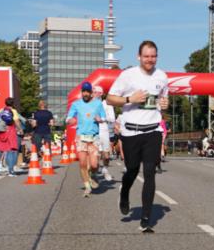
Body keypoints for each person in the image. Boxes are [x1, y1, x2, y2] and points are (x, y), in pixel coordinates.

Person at [106, 41, 170, 231]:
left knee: (150, 173)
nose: (150, 60)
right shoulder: (128, 76)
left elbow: (162, 100)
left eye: (153, 56)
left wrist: (164, 104)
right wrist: (129, 99)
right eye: (146, 56)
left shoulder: (162, 76)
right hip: (131, 131)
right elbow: (109, 98)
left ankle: (146, 219)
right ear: (138, 57)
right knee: (132, 170)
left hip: (153, 130)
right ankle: (124, 191)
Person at [66, 81, 108, 197]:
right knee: (83, 163)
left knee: (94, 164)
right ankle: (87, 186)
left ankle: (93, 175)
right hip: (81, 137)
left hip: (94, 137)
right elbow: (69, 118)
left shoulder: (98, 104)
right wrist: (70, 120)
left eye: (87, 91)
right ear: (81, 92)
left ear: (91, 93)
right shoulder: (76, 104)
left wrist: (100, 119)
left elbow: (104, 117)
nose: (85, 93)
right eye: (83, 91)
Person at [0, 98, 20, 177]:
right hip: (10, 132)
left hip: (0, 132)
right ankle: (10, 171)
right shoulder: (13, 111)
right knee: (10, 151)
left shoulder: (1, 110)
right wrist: (20, 129)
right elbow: (17, 122)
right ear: (13, 103)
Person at [94, 87, 116, 181]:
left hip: (104, 130)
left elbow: (112, 119)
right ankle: (94, 175)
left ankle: (105, 169)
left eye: (96, 92)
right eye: (93, 92)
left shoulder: (107, 104)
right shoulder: (89, 104)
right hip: (93, 131)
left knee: (106, 156)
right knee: (95, 155)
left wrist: (102, 118)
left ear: (101, 93)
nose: (94, 94)